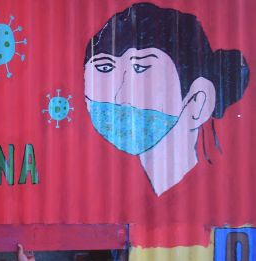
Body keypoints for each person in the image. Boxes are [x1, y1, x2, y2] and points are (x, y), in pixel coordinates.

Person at [84, 2, 250, 196]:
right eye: (104, 68)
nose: (119, 97)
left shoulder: (224, 192)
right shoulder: (116, 191)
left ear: (197, 102)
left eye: (141, 68)